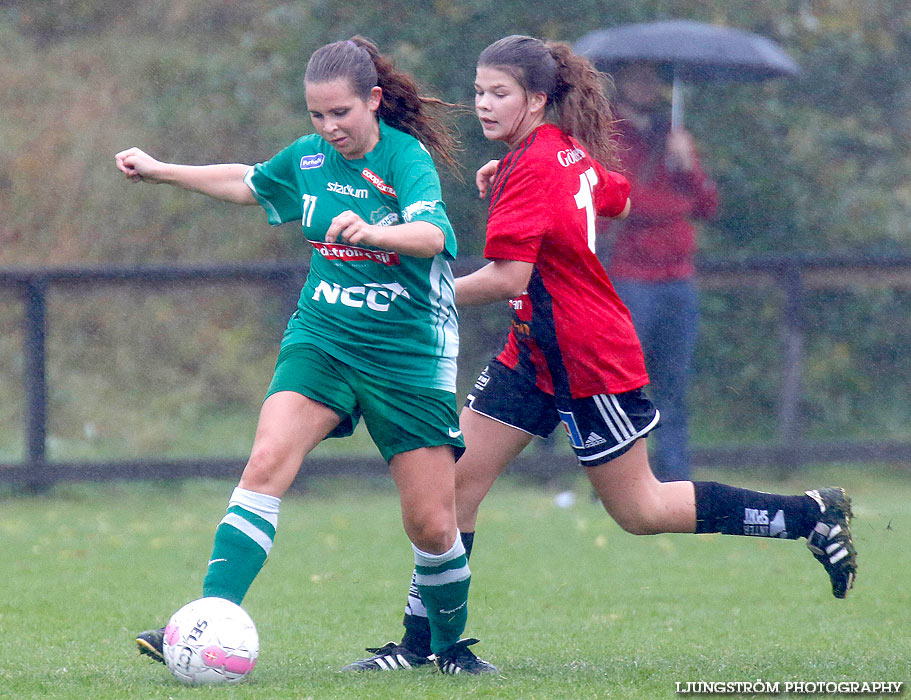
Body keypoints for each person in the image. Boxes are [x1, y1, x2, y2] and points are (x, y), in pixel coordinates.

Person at [343, 35, 856, 672]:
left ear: (536, 99)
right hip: (533, 354)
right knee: (453, 488)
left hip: (589, 358)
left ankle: (808, 516)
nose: (483, 104)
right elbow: (614, 193)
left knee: (640, 509)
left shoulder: (535, 163)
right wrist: (509, 169)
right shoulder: (553, 152)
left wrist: (421, 298)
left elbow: (508, 278)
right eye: (478, 91)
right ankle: (428, 649)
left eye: (499, 94)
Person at [115, 36, 496, 675]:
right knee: (266, 460)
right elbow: (248, 181)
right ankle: (207, 618)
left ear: (373, 101)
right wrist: (161, 169)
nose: (329, 128)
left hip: (407, 353)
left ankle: (448, 648)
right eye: (317, 116)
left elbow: (432, 234)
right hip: (323, 336)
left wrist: (377, 231)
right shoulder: (311, 159)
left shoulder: (406, 159)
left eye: (341, 113)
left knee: (433, 526)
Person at [597, 62, 719, 483]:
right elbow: (623, 200)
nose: (645, 85)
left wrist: (688, 167)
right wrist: (676, 205)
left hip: (678, 277)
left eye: (651, 78)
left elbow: (708, 206)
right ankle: (618, 475)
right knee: (624, 380)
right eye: (636, 77)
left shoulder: (674, 135)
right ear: (622, 82)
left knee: (674, 382)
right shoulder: (609, 134)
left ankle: (676, 475)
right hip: (631, 275)